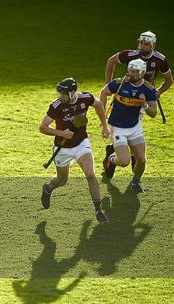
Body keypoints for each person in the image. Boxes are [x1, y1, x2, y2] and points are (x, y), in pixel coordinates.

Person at [39, 78, 110, 223]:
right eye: (59, 93)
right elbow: (43, 127)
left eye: (63, 93)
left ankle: (98, 210)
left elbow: (98, 105)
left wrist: (105, 125)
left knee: (90, 174)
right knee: (61, 180)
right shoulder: (56, 106)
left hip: (81, 144)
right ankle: (48, 188)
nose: (60, 96)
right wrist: (62, 133)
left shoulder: (86, 98)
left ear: (72, 92)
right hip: (62, 148)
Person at [101, 59, 158, 193]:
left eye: (134, 72)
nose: (130, 74)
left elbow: (153, 113)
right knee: (125, 161)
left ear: (142, 73)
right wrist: (103, 116)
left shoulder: (148, 89)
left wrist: (144, 104)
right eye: (130, 71)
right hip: (118, 127)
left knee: (142, 160)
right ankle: (112, 160)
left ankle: (135, 181)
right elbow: (104, 92)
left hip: (135, 128)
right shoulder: (120, 83)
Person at [105, 31, 171, 96]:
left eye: (146, 44)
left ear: (153, 46)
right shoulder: (130, 55)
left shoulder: (160, 59)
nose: (142, 46)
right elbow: (111, 61)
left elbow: (169, 80)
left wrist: (159, 92)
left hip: (146, 93)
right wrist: (108, 84)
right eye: (141, 43)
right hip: (127, 90)